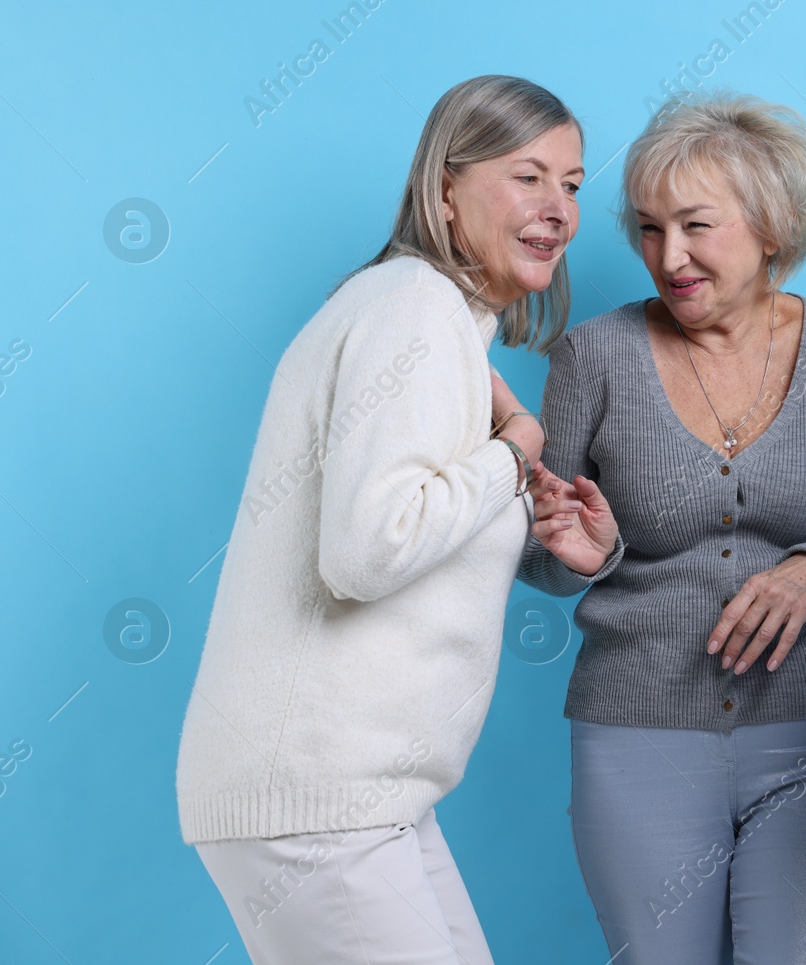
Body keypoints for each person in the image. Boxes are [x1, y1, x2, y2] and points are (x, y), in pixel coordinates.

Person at [175, 75, 583, 965]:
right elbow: (368, 549)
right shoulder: (415, 310)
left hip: (364, 797)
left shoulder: (428, 317)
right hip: (317, 799)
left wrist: (546, 527)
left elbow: (416, 523)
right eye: (529, 176)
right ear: (445, 186)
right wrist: (514, 452)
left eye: (573, 184)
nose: (558, 208)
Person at [516, 92, 806, 964]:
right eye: (649, 228)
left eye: (697, 225)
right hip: (638, 736)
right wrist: (579, 555)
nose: (669, 257)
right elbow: (539, 553)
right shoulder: (593, 355)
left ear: (772, 225)